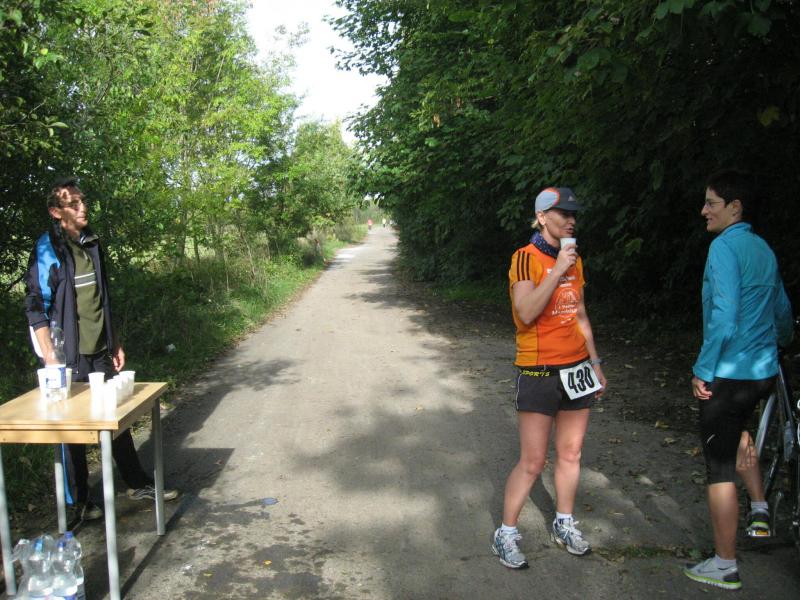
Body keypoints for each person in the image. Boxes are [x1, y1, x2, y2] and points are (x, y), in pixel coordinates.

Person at [24, 177, 179, 521]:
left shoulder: (91, 242)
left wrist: (115, 340)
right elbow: (35, 305)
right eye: (73, 204)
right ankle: (79, 502)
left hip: (99, 349)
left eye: (83, 201)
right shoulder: (49, 249)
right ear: (56, 212)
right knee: (71, 429)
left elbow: (101, 297)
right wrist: (50, 355)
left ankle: (136, 483)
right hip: (67, 355)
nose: (83, 208)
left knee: (115, 416)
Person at [684, 170, 793, 590]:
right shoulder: (762, 248)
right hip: (762, 372)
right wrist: (781, 343)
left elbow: (725, 316)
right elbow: (781, 310)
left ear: (735, 207)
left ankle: (724, 564)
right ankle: (760, 509)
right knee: (739, 431)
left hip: (728, 374)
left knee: (719, 469)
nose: (703, 210)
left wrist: (703, 368)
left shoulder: (724, 248)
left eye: (711, 203)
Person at [492, 187, 606, 568]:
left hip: (577, 368)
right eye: (563, 214)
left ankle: (564, 523)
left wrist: (595, 361)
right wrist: (557, 270)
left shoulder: (576, 260)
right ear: (542, 217)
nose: (571, 220)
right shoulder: (525, 258)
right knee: (533, 460)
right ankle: (505, 533)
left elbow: (580, 314)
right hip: (539, 369)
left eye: (574, 214)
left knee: (571, 453)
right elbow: (525, 312)